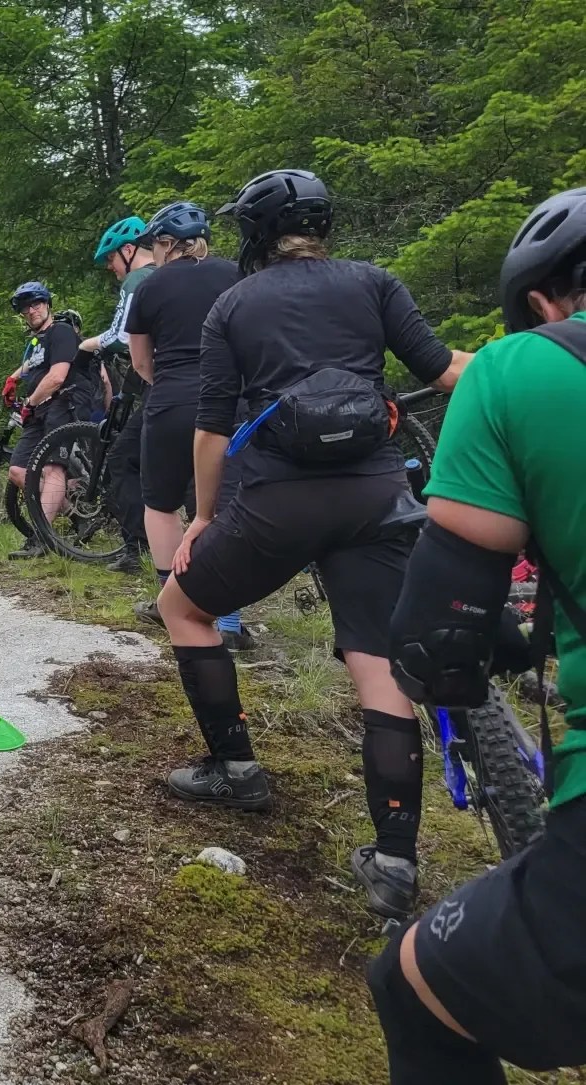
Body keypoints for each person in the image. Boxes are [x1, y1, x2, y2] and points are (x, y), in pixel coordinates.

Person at [156, 170, 469, 918]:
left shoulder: (234, 302)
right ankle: (394, 860)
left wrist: (202, 519)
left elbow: (211, 428)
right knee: (378, 668)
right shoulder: (373, 283)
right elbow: (450, 370)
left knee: (183, 606)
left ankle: (236, 769)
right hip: (375, 497)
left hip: (275, 503)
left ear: (256, 234)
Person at [372, 186, 586, 1084]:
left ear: (544, 301)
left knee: (408, 983)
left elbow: (434, 642)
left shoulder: (519, 371)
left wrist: (503, 637)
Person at [123, 201, 251, 649]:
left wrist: (171, 384)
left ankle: (169, 603)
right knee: (219, 506)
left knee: (159, 503)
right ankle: (230, 622)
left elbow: (140, 360)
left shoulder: (149, 287)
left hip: (171, 400)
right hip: (228, 399)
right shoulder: (236, 274)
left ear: (165, 243)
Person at [2, 281, 98, 559]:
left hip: (62, 403)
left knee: (54, 469)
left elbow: (57, 376)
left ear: (47, 305)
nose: (31, 311)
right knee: (18, 472)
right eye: (24, 308)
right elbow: (31, 365)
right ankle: (78, 516)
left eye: (36, 304)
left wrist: (28, 403)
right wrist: (12, 378)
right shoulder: (36, 342)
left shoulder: (62, 332)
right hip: (38, 411)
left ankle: (42, 538)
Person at [86, 215, 156, 570]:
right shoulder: (168, 274)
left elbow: (122, 336)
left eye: (111, 259)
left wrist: (84, 346)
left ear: (129, 250)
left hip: (166, 387)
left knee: (122, 459)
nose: (110, 268)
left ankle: (139, 549)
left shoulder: (138, 280)